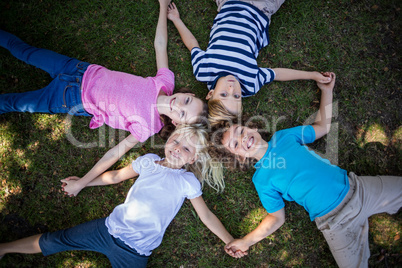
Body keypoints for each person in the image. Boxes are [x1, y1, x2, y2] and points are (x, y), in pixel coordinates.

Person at [0, 0, 208, 197]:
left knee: (16, 103)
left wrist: (82, 183)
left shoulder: (148, 126)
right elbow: (160, 45)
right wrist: (163, 7)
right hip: (79, 69)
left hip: (71, 99)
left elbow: (115, 153)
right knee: (25, 51)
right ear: (187, 94)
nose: (178, 105)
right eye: (187, 101)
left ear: (176, 123)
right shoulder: (164, 82)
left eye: (182, 113)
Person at [211, 72, 402, 267]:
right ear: (240, 158)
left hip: (359, 190)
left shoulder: (283, 137)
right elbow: (276, 218)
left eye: (241, 131)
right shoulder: (261, 180)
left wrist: (327, 91)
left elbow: (322, 126)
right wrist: (246, 241)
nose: (242, 139)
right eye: (235, 144)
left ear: (251, 128)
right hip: (335, 223)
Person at [0, 124, 246, 267]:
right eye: (175, 141)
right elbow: (116, 176)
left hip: (135, 252)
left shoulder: (187, 181)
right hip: (107, 229)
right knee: (56, 240)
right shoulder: (148, 161)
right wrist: (83, 183)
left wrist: (229, 239)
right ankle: (4, 248)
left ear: (192, 159)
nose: (176, 148)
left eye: (186, 149)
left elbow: (206, 216)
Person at [166, 1, 332, 123]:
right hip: (261, 9)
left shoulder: (204, 70)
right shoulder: (251, 83)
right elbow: (277, 73)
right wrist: (311, 75)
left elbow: (192, 44)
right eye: (236, 96)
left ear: (210, 94)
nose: (231, 88)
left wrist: (175, 19)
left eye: (223, 94)